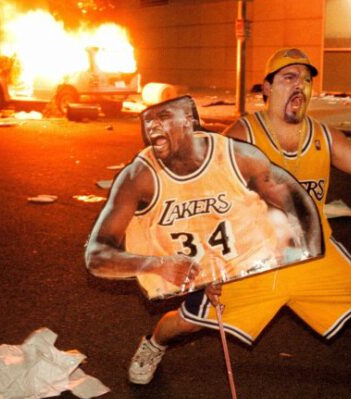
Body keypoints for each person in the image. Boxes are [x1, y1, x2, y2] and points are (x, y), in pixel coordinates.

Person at [215, 47, 351, 398]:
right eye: (289, 77)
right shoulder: (243, 134)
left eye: (305, 80)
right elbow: (216, 203)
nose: (300, 86)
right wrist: (211, 265)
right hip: (256, 254)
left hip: (312, 249)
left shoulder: (324, 135)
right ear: (267, 87)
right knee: (185, 323)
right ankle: (153, 345)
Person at [84, 94, 324, 378]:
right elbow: (96, 255)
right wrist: (155, 265)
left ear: (189, 121)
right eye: (147, 121)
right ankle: (154, 345)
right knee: (188, 324)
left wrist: (300, 254)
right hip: (191, 263)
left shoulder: (237, 156)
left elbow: (294, 200)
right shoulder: (140, 176)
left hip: (245, 254)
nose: (151, 126)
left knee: (298, 296)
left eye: (162, 118)